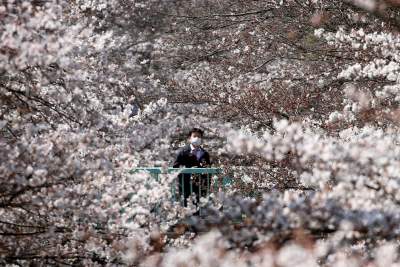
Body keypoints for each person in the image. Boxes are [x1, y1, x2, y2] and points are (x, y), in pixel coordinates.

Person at [173, 128, 211, 206]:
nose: (197, 138)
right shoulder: (183, 152)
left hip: (200, 186)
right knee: (186, 209)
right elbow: (175, 167)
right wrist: (188, 170)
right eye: (194, 136)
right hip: (185, 185)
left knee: (199, 210)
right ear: (190, 138)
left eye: (199, 136)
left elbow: (208, 169)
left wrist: (206, 185)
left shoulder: (205, 153)